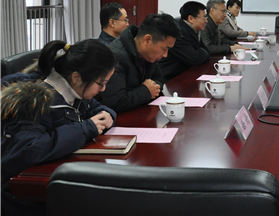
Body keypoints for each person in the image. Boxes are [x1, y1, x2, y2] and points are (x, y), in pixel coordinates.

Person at [1, 39, 116, 216]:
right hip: (24, 196)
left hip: (54, 180)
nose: (103, 89)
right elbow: (28, 149)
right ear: (76, 77)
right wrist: (85, 129)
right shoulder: (36, 101)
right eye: (101, 83)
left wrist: (107, 116)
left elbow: (98, 109)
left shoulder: (75, 90)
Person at [100, 13, 180, 113]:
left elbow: (159, 78)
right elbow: (115, 102)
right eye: (164, 49)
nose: (165, 55)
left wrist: (149, 88)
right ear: (147, 40)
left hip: (139, 110)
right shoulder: (116, 57)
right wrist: (145, 91)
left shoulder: (148, 54)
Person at [159, 1, 210, 81]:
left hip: (183, 73)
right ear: (191, 18)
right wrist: (201, 52)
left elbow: (206, 51)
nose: (206, 21)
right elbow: (195, 59)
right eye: (203, 18)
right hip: (170, 78)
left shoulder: (193, 29)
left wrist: (200, 52)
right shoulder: (179, 32)